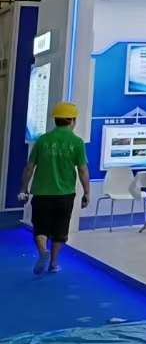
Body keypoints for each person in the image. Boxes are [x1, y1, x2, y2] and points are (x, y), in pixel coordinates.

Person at [19, 101, 91, 275]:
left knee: (40, 227)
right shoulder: (77, 142)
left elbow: (29, 167)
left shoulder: (43, 140)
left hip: (42, 193)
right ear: (72, 120)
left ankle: (43, 251)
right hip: (65, 194)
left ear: (55, 120)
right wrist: (87, 192)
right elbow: (82, 170)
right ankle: (53, 263)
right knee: (60, 229)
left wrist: (23, 188)